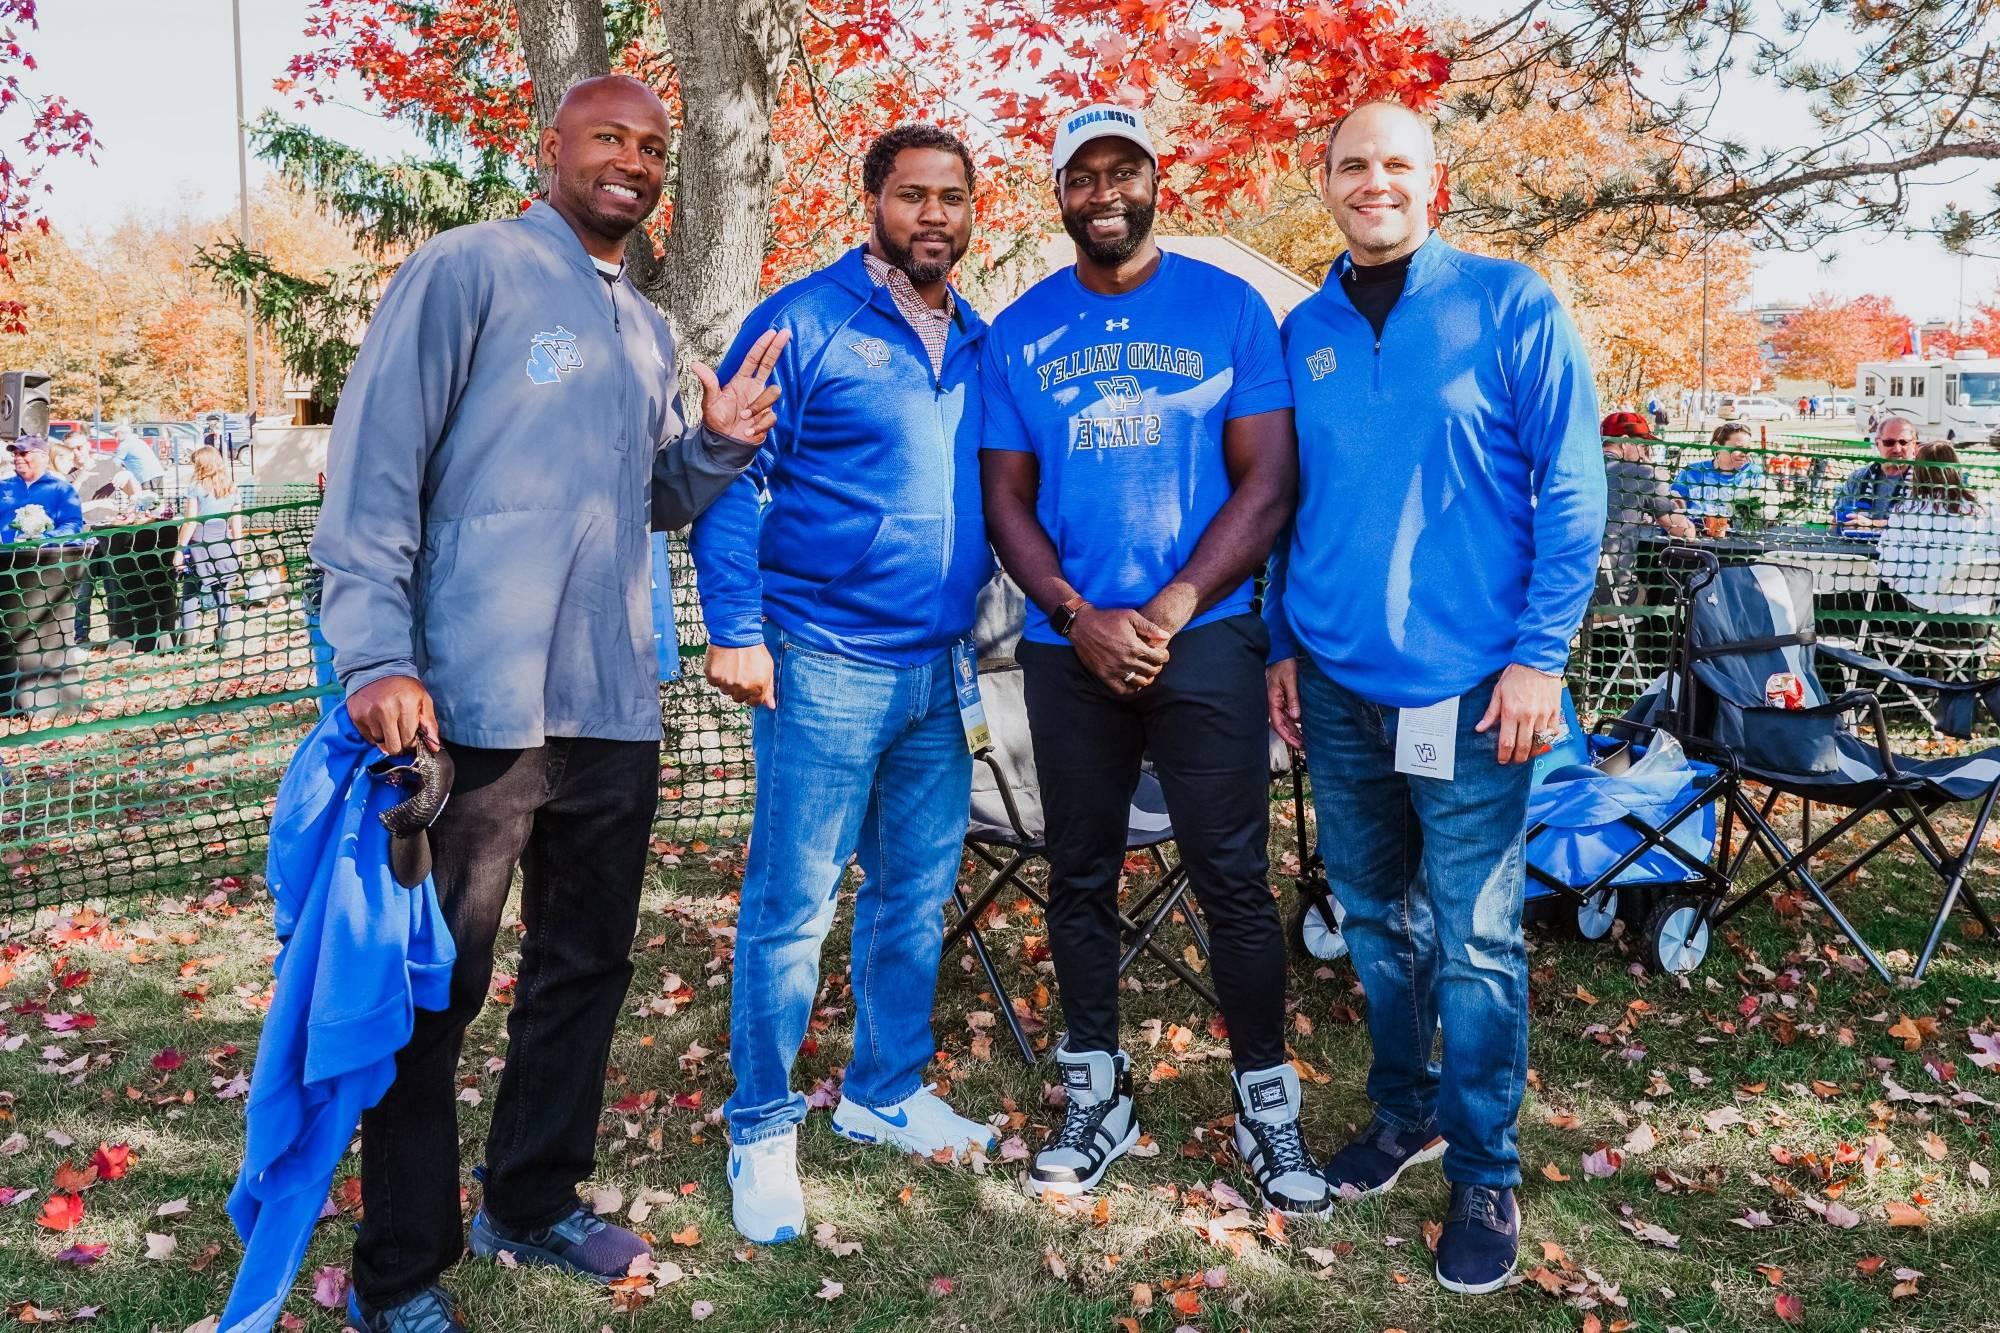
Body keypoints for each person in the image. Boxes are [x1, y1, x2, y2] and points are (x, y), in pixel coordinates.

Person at [309, 75, 779, 1333]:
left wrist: (717, 440)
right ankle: (399, 1265)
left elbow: (649, 501)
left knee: (584, 966)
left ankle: (531, 1195)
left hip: (614, 701)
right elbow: (371, 473)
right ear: (550, 147)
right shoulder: (467, 269)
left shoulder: (646, 326)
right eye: (606, 139)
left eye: (650, 147)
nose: (630, 161)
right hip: (471, 705)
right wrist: (374, 658)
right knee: (438, 987)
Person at [1264, 102, 1605, 1294]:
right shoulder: (1298, 327)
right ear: (1324, 182)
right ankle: (1402, 1113)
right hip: (1337, 686)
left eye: (1395, 164)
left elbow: (1570, 492)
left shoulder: (1510, 303)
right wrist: (1276, 646)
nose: (1373, 183)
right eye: (1350, 164)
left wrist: (1538, 656)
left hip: (1475, 691)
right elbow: (1283, 502)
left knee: (1470, 938)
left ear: (1434, 183)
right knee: (1372, 919)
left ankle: (1483, 1163)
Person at [981, 105, 1318, 1215]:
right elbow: (1004, 498)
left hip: (1206, 635)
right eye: (1083, 175)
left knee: (1231, 880)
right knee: (1076, 872)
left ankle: (1267, 1106)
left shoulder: (1229, 310)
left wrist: (1171, 603)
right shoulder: (1019, 326)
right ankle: (1096, 1090)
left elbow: (1266, 482)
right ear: (1058, 193)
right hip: (1064, 643)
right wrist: (1077, 612)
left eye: (1124, 169)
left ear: (1156, 179)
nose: (1105, 191)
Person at [690, 124, 997, 1247]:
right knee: (790, 906)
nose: (932, 215)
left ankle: (882, 1091)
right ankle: (761, 1122)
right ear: (871, 200)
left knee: (912, 896)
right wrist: (735, 628)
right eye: (911, 195)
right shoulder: (799, 319)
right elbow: (729, 478)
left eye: (950, 198)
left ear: (972, 212)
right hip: (819, 660)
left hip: (940, 668)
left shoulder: (977, 337)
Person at [1877, 442, 2000, 626]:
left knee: (1875, 597)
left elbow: (1889, 572)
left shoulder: (1905, 512)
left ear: (1917, 472)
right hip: (1981, 623)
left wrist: (1920, 594)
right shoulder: (1990, 506)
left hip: (1927, 623)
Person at [1597, 411, 1693, 606]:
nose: (1644, 453)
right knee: (1654, 589)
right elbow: (1683, 531)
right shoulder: (1644, 473)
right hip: (1612, 596)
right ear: (1624, 441)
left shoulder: (1579, 465)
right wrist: (1655, 473)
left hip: (1561, 591)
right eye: (1642, 446)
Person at [174, 446, 246, 654]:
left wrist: (180, 550)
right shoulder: (232, 487)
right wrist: (238, 550)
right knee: (222, 592)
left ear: (201, 464)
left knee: (190, 593)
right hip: (224, 545)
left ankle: (185, 645)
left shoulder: (196, 488)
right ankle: (223, 642)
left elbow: (190, 522)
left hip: (199, 547)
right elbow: (237, 523)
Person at [1833, 416, 1918, 532]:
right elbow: (1836, 520)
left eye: (1903, 442)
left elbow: (1925, 524)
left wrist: (1873, 525)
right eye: (1889, 442)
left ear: (1914, 444)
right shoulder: (1858, 478)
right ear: (1878, 444)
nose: (1897, 449)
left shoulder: (1925, 481)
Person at [1669, 423, 1765, 522]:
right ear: (1717, 447)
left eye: (1747, 449)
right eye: (1738, 448)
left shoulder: (1754, 474)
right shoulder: (1691, 473)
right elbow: (1673, 507)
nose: (1744, 454)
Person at [0, 436, 84, 543]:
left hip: (44, 556)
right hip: (5, 556)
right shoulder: (3, 486)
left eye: (23, 453)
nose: (17, 458)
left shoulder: (62, 489)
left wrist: (44, 539)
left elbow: (73, 525)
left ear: (43, 457)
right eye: (15, 454)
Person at [111, 425, 166, 494]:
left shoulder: (124, 445)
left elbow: (115, 463)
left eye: (116, 435)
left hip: (146, 477)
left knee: (147, 501)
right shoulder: (139, 441)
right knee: (158, 501)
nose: (115, 438)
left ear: (122, 434)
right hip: (157, 473)